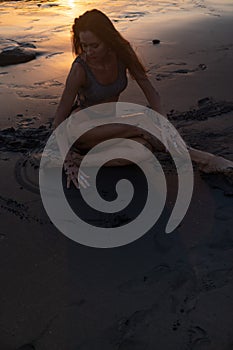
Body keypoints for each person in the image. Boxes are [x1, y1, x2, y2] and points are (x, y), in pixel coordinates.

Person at [53, 9, 233, 189]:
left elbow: (150, 92)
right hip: (82, 129)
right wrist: (66, 159)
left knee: (143, 149)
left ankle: (83, 160)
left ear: (107, 40)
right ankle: (204, 160)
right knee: (142, 122)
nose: (88, 51)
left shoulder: (123, 54)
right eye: (84, 45)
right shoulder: (80, 69)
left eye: (94, 45)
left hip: (111, 124)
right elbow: (61, 115)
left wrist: (164, 125)